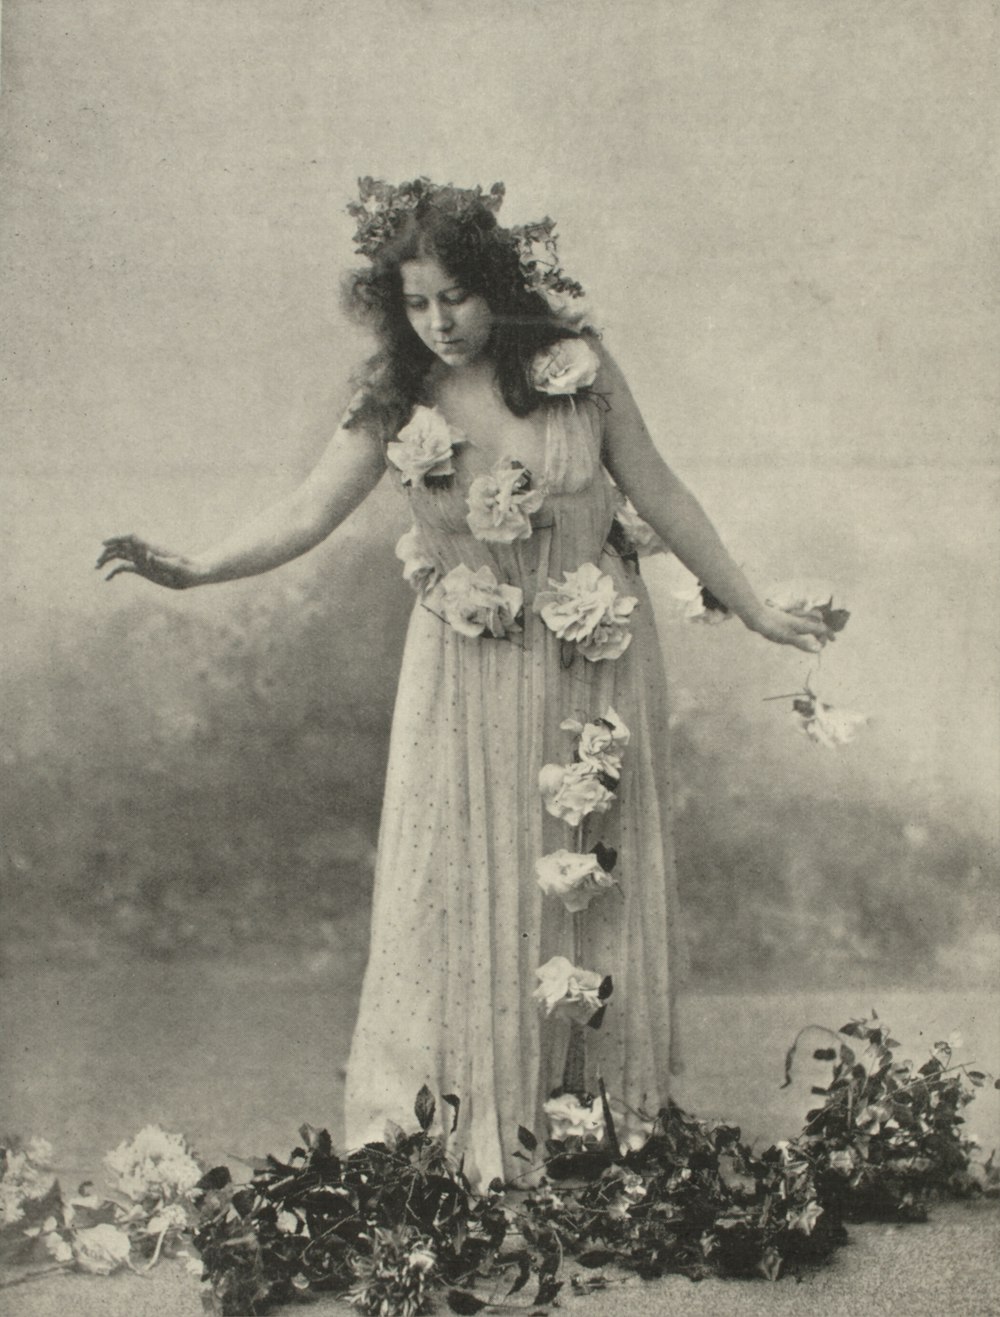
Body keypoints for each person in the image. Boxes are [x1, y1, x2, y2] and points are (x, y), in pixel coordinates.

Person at [97, 178, 830, 1185]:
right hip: (466, 667)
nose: (438, 323)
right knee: (459, 878)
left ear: (495, 286)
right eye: (415, 302)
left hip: (592, 660)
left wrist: (749, 604)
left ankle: (587, 1110)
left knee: (586, 874)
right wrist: (196, 567)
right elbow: (309, 508)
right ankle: (470, 1113)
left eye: (455, 297)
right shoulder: (396, 396)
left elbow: (658, 486)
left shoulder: (577, 368)